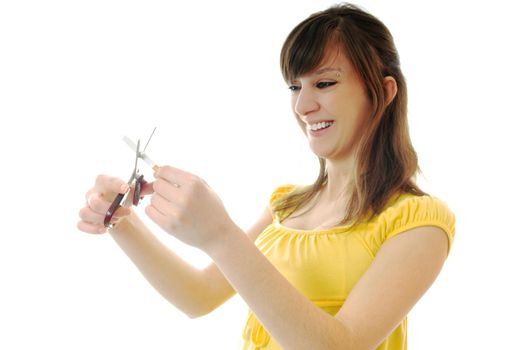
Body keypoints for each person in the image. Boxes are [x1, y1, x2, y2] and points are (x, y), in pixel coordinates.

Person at [78, 3, 456, 349]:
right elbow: (198, 296)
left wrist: (220, 234)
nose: (303, 106)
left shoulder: (419, 223)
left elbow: (342, 346)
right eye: (295, 86)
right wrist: (121, 222)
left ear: (383, 92)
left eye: (324, 83)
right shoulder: (287, 205)